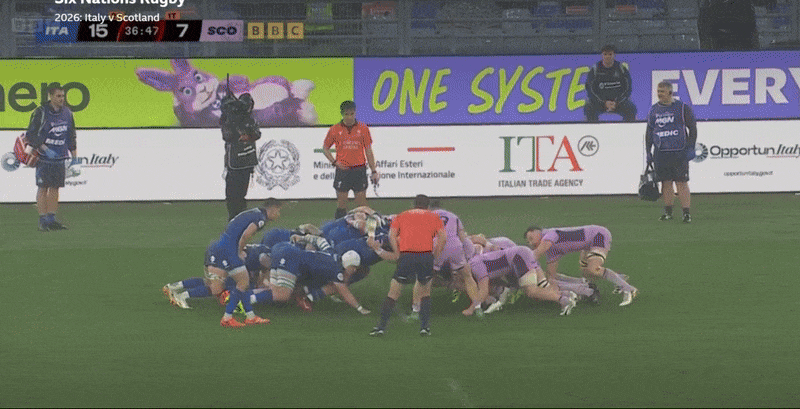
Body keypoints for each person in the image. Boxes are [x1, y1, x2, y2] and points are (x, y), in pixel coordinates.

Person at [370, 194, 445, 337]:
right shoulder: (434, 217)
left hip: (406, 256)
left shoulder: (401, 216)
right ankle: (425, 328)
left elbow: (391, 235)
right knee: (425, 292)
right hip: (425, 256)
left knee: (393, 293)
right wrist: (436, 254)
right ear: (427, 206)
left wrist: (398, 253)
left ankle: (381, 327)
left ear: (413, 205)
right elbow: (443, 237)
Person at [205, 198, 281, 327]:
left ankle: (250, 316)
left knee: (243, 282)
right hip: (230, 250)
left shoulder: (254, 212)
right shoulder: (260, 218)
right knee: (243, 282)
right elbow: (246, 235)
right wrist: (240, 251)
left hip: (222, 246)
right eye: (278, 211)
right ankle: (227, 317)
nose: (279, 214)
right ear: (272, 209)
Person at [524, 225, 637, 306]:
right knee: (587, 273)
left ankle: (629, 289)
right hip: (588, 245)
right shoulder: (551, 250)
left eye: (531, 239)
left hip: (598, 235)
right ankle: (618, 278)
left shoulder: (549, 235)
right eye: (528, 242)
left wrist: (521, 260)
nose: (531, 243)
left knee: (593, 269)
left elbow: (537, 253)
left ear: (539, 232)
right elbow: (551, 277)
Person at [469, 245, 578, 316]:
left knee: (531, 291)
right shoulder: (475, 263)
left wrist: (473, 308)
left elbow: (483, 290)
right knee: (540, 286)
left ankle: (564, 300)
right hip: (519, 255)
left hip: (519, 257)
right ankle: (567, 294)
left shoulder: (474, 266)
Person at [25, 86, 78, 231]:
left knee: (55, 188)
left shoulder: (67, 113)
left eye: (63, 96)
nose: (62, 99)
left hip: (60, 157)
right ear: (51, 96)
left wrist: (74, 157)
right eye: (58, 96)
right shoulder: (41, 112)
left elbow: (71, 135)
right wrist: (44, 148)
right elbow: (30, 134)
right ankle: (42, 220)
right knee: (43, 187)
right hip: (44, 158)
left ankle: (51, 219)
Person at [645, 81, 698, 223]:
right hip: (661, 151)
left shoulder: (681, 108)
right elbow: (649, 131)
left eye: (662, 91)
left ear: (670, 92)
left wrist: (691, 146)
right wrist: (648, 152)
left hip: (679, 151)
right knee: (665, 182)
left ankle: (686, 213)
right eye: (658, 91)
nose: (659, 94)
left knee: (681, 182)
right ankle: (668, 213)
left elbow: (692, 127)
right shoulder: (654, 110)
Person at [322, 100, 379, 220]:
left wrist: (374, 171)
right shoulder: (335, 129)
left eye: (352, 114)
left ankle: (366, 232)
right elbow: (325, 148)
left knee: (362, 204)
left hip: (359, 169)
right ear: (342, 114)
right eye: (346, 114)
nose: (349, 117)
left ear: (355, 113)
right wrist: (334, 162)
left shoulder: (363, 128)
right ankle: (338, 230)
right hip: (343, 170)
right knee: (341, 205)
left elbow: (368, 150)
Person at [220, 92, 261, 221]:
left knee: (238, 194)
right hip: (237, 162)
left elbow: (256, 134)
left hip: (244, 163)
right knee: (234, 195)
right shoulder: (230, 120)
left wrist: (246, 136)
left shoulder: (248, 120)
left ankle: (238, 217)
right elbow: (227, 135)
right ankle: (235, 217)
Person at [584, 45, 637, 123]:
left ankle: (627, 131)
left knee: (631, 108)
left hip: (618, 103)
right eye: (605, 54)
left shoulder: (621, 69)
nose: (607, 57)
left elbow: (628, 89)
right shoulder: (595, 70)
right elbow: (590, 90)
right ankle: (593, 131)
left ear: (614, 55)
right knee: (588, 108)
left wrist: (617, 102)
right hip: (600, 102)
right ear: (602, 56)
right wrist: (604, 103)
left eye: (610, 54)